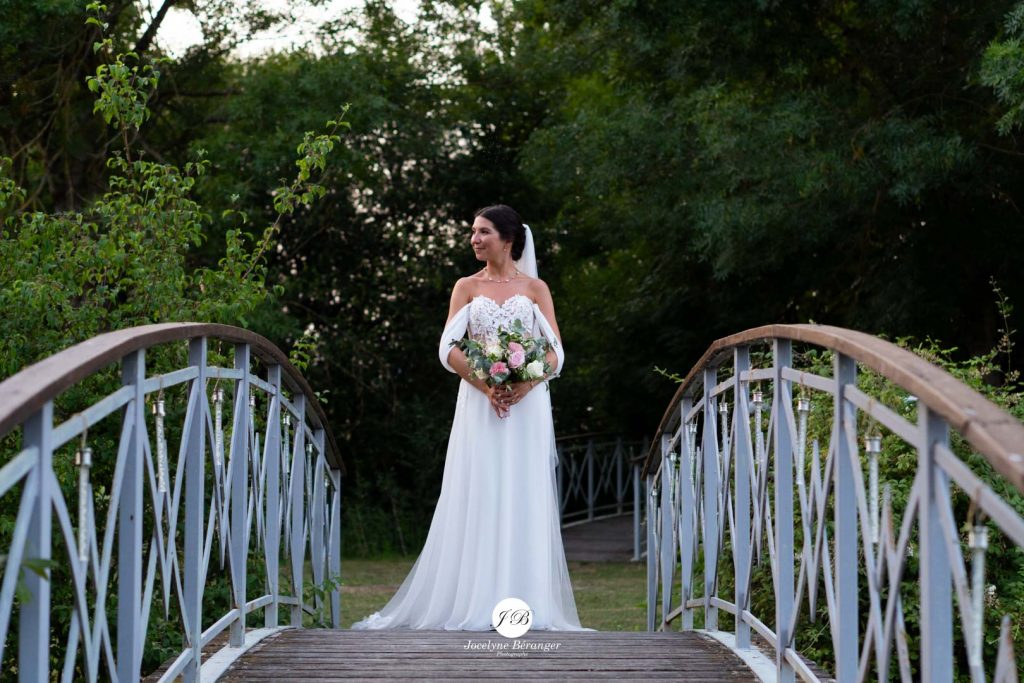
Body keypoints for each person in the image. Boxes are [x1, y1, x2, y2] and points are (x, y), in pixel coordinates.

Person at [350, 204, 588, 631]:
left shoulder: (536, 288)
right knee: (480, 488)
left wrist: (525, 384)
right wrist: (486, 384)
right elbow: (448, 347)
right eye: (473, 232)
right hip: (480, 405)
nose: (474, 239)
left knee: (522, 491)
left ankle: (524, 601)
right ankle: (476, 597)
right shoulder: (466, 286)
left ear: (508, 239)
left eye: (483, 232)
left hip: (526, 407)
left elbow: (555, 351)